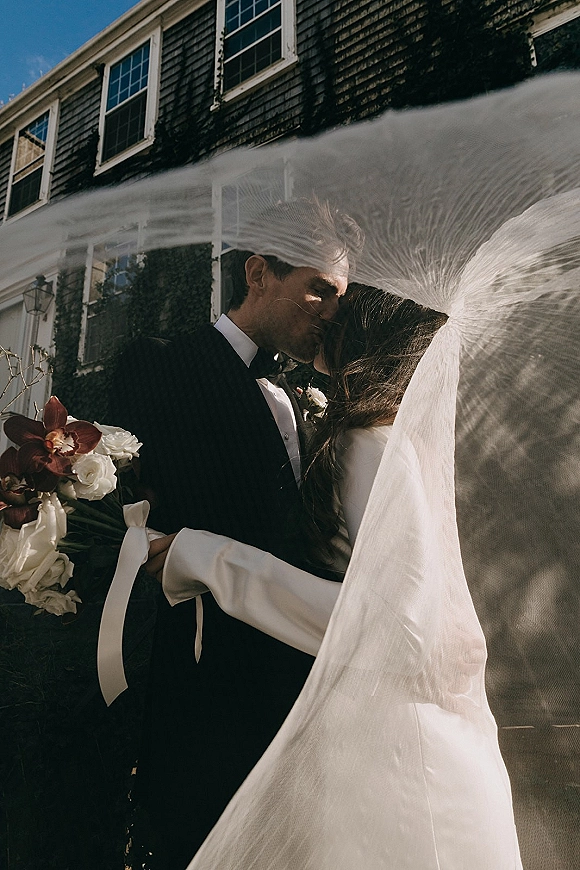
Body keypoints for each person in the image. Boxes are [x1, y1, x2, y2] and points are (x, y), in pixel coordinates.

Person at [112, 198, 364, 870]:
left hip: (300, 680)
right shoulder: (161, 364)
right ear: (258, 274)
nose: (332, 311)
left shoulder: (298, 398)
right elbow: (131, 519)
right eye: (319, 288)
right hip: (207, 691)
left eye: (339, 297)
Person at [146, 286, 449, 661]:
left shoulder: (366, 441)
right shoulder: (396, 432)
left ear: (366, 332)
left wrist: (211, 560)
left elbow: (399, 625)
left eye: (342, 307)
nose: (327, 314)